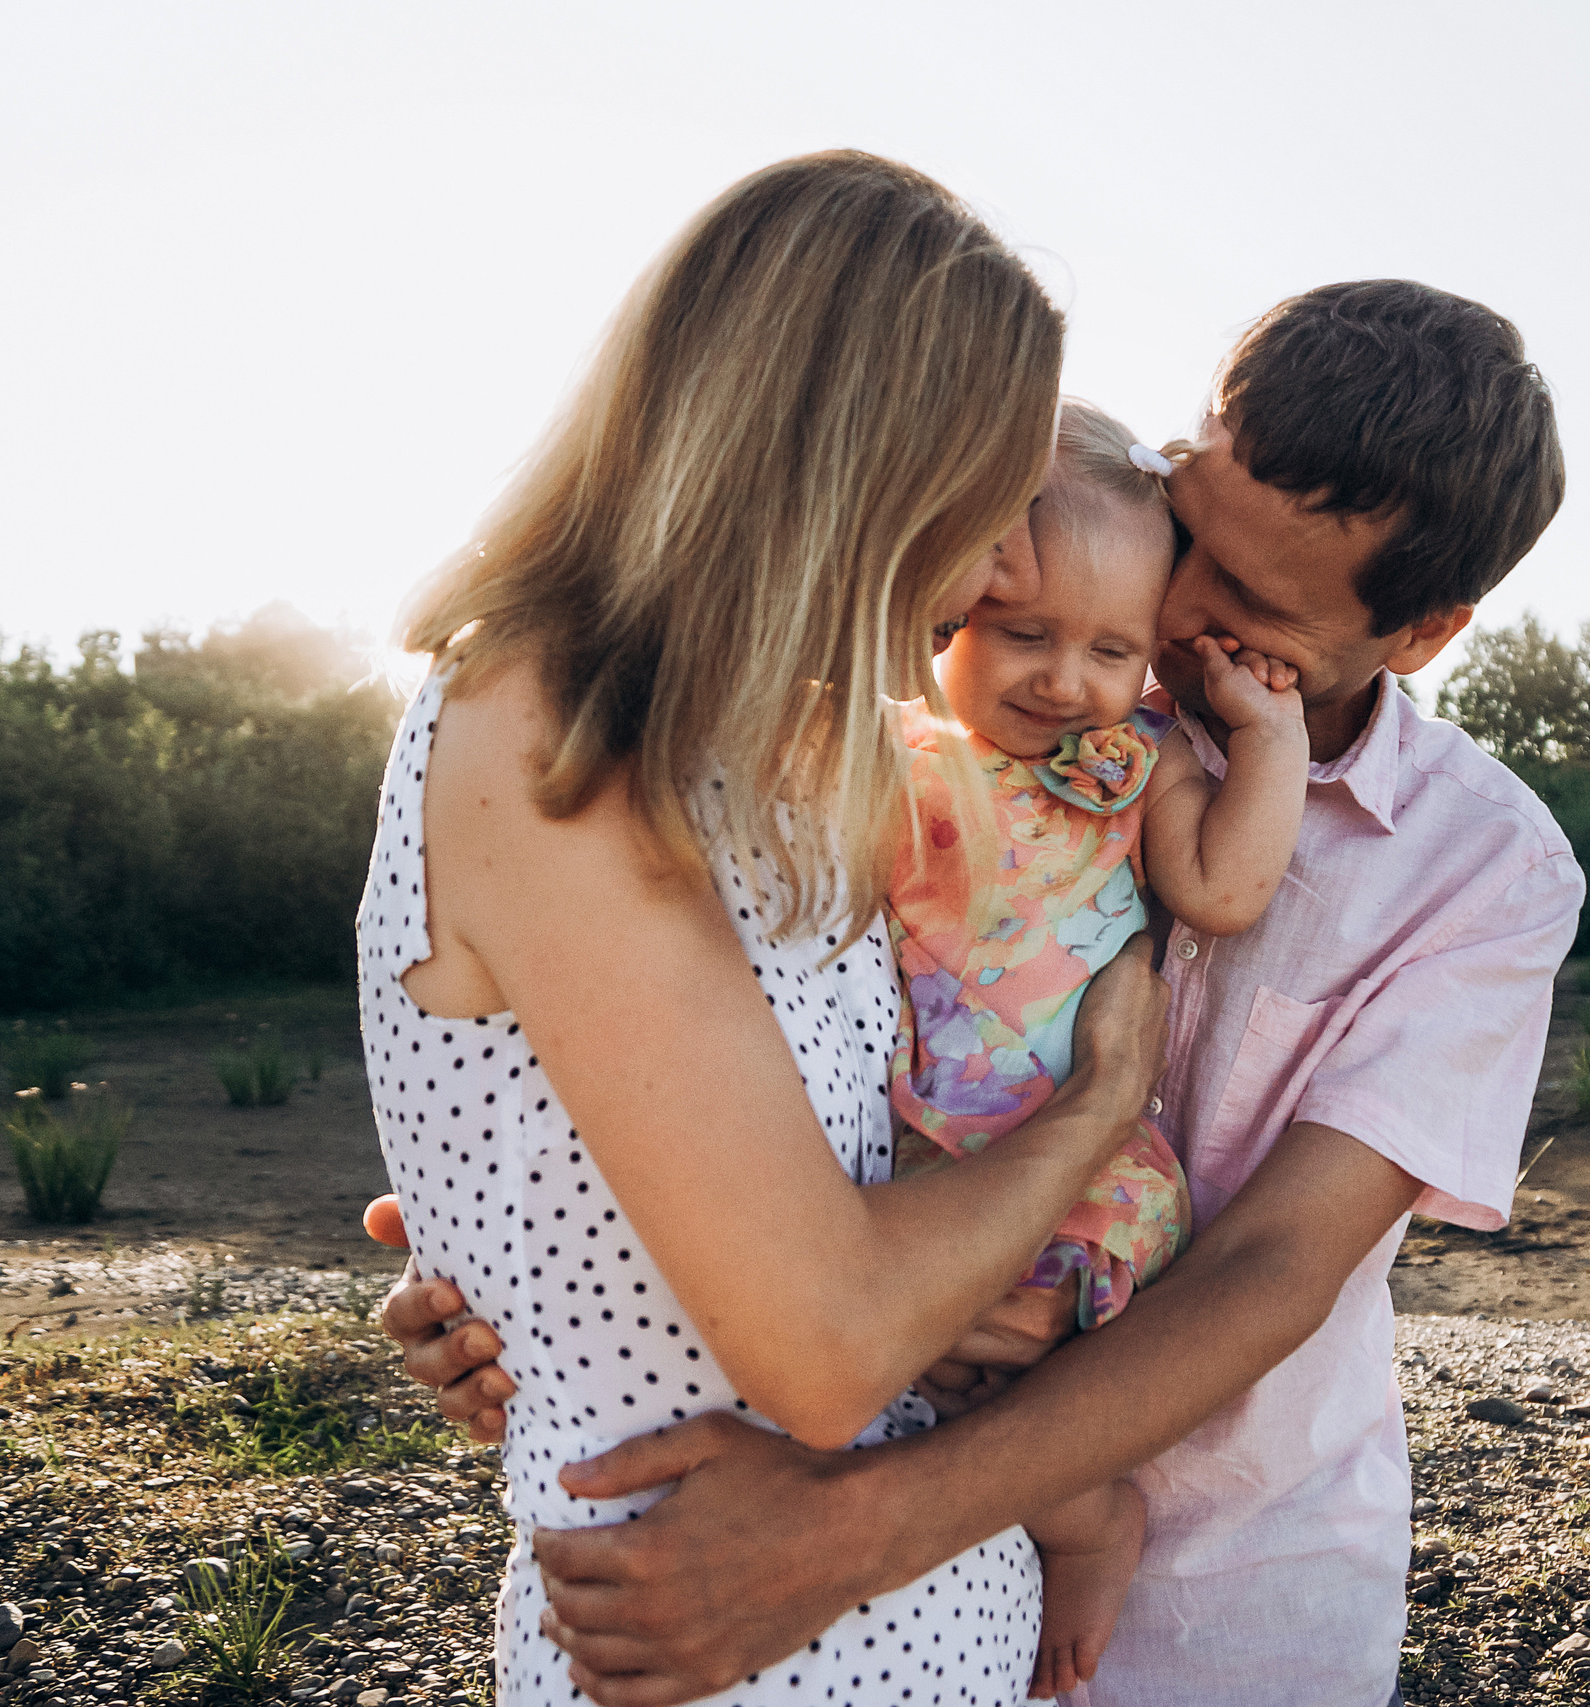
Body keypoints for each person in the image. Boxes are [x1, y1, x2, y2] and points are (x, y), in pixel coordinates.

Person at [381, 278, 1581, 1707]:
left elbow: (1277, 1270)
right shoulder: (996, 635)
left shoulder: (1483, 871)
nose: (1176, 611)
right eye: (1187, 530)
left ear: (1425, 632)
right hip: (863, 1491)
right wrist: (533, 1265)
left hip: (1213, 1601)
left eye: (1252, 606)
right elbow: (713, 1009)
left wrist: (849, 1537)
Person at [356, 150, 1176, 1707]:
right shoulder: (541, 720)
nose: (1007, 563)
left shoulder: (778, 759)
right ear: (863, 466)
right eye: (995, 501)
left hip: (901, 1634)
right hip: (734, 1665)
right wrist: (1095, 1111)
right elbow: (829, 1342)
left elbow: (686, 1174)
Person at [892, 396, 1308, 1696]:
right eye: (1026, 634)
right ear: (953, 605)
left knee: (1008, 1403)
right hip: (921, 1151)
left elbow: (1228, 893)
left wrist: (1266, 738)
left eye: (1111, 649)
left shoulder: (1140, 766)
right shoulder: (891, 754)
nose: (1066, 679)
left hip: (1081, 1166)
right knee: (917, 1386)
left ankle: (1091, 1521)